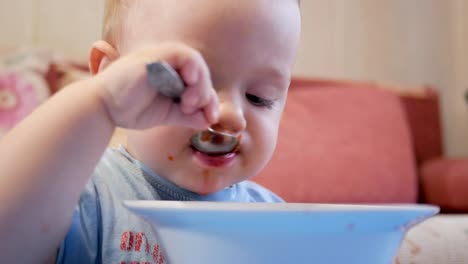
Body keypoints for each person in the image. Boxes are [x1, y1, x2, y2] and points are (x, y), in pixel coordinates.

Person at [0, 0, 301, 263]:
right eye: (188, 81)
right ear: (109, 72)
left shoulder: (279, 223)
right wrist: (99, 101)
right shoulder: (81, 194)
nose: (231, 115)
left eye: (260, 97)